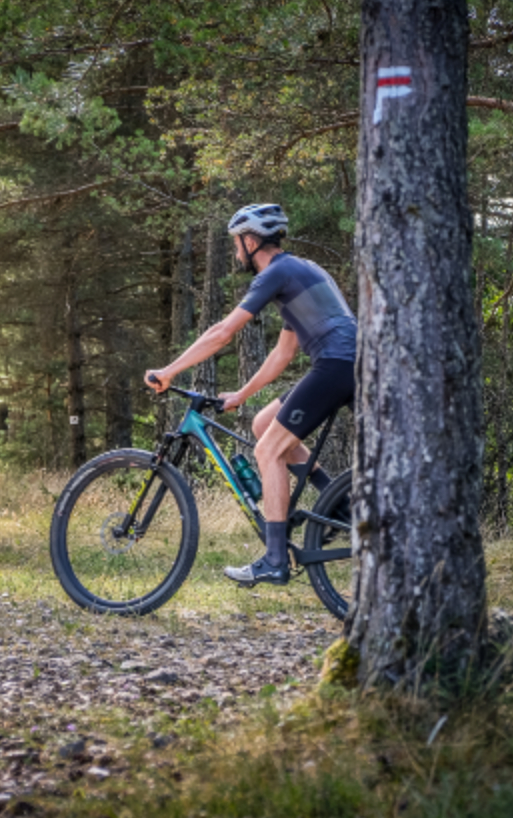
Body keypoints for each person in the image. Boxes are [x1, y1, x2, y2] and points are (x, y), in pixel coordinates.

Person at [145, 203, 357, 587]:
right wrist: (242, 394)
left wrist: (168, 371)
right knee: (263, 425)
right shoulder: (300, 270)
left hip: (336, 365)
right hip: (347, 364)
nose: (236, 252)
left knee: (267, 450)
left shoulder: (274, 273)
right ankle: (340, 505)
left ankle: (275, 561)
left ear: (251, 240)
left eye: (237, 244)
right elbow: (283, 352)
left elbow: (222, 333)